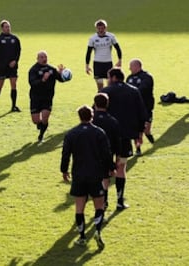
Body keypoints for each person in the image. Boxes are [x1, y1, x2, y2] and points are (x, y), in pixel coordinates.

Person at [60, 105, 114, 248]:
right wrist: (111, 168)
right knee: (99, 205)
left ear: (79, 116)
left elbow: (65, 154)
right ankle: (97, 230)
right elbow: (106, 153)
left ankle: (82, 236)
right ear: (92, 116)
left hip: (79, 174)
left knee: (79, 207)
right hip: (96, 174)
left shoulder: (71, 133)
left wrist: (64, 171)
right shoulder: (99, 133)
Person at [101, 68, 147, 211]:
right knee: (121, 167)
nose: (108, 79)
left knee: (106, 170)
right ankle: (120, 200)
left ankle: (104, 201)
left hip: (107, 137)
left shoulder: (106, 91)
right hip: (125, 137)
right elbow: (142, 113)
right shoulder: (134, 91)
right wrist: (139, 134)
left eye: (108, 77)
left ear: (113, 77)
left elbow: (96, 112)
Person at [28, 50, 66, 142]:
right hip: (35, 98)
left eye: (45, 57)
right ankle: (40, 124)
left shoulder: (51, 69)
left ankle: (41, 135)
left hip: (47, 98)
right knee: (36, 121)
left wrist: (61, 73)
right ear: (37, 59)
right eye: (41, 57)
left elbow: (61, 80)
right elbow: (32, 83)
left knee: (45, 118)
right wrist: (43, 80)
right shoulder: (33, 70)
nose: (44, 59)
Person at [92, 93, 121, 210]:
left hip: (91, 154)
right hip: (107, 155)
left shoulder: (90, 120)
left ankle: (98, 205)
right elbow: (117, 141)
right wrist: (117, 158)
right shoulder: (112, 121)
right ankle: (104, 202)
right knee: (105, 179)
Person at [0, 19, 22, 112]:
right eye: (6, 27)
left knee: (14, 85)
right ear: (2, 28)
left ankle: (14, 106)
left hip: (13, 67)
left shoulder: (15, 39)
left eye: (9, 27)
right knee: (0, 85)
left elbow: (18, 51)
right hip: (2, 67)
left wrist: (15, 61)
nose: (8, 28)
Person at [126, 59, 155, 155]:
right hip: (135, 108)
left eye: (131, 66)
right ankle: (138, 149)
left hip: (146, 107)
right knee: (138, 130)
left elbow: (142, 90)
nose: (129, 68)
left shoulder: (147, 77)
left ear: (137, 66)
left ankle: (148, 135)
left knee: (146, 129)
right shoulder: (129, 78)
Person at [85, 19, 122, 91]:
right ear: (96, 28)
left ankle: (110, 101)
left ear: (106, 28)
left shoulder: (111, 36)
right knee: (100, 86)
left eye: (102, 28)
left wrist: (120, 60)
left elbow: (118, 48)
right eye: (99, 28)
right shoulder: (92, 38)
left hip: (108, 63)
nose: (101, 30)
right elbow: (88, 52)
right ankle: (100, 101)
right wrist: (87, 66)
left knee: (110, 85)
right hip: (97, 64)